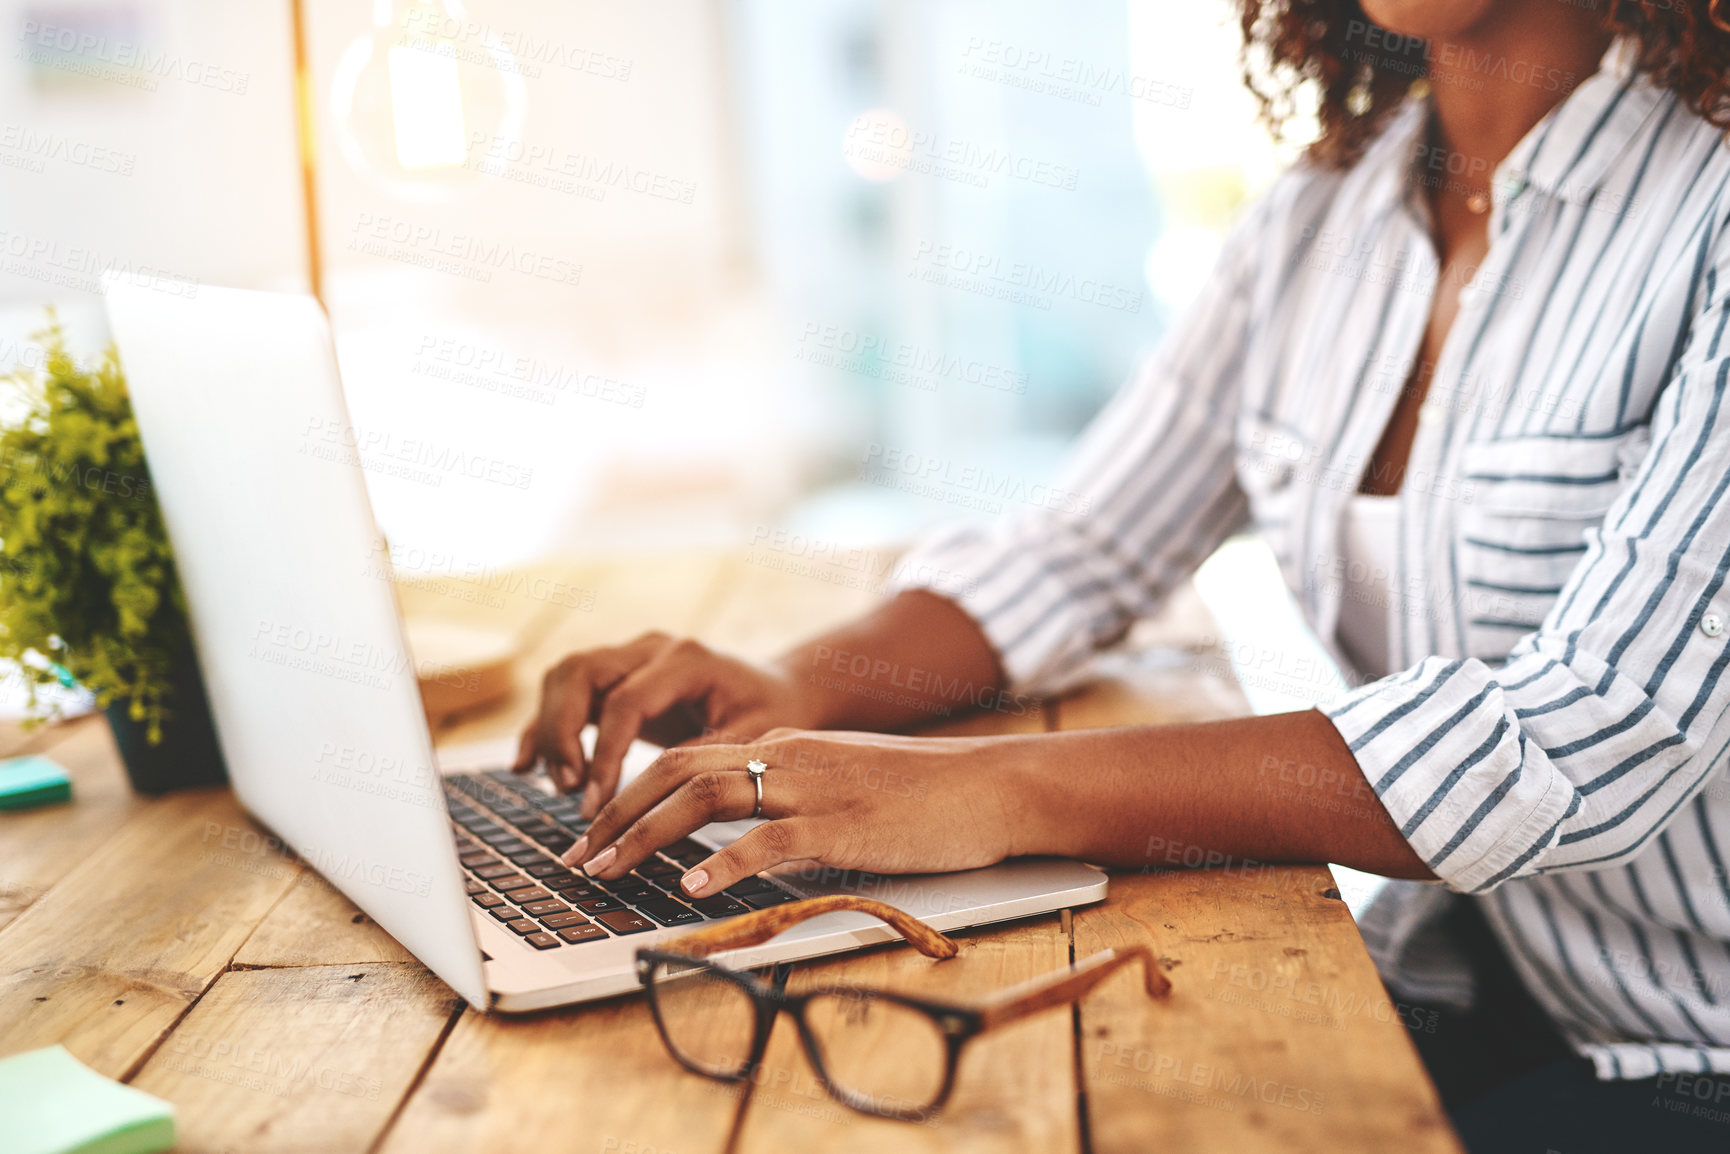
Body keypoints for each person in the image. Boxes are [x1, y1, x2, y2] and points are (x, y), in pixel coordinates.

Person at [517, 2, 1730, 1147]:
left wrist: (996, 789)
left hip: (1688, 1045)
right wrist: (792, 683)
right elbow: (1087, 542)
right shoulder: (1323, 217)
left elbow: (1588, 729)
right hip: (1476, 977)